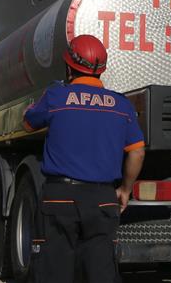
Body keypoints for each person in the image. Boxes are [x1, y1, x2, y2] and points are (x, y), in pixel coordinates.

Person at [22, 34, 146, 283]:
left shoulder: (56, 97)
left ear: (69, 67)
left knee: (53, 271)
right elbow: (137, 151)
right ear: (101, 70)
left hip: (59, 198)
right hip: (102, 200)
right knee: (100, 272)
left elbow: (27, 123)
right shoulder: (121, 105)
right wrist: (125, 189)